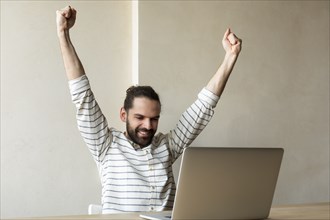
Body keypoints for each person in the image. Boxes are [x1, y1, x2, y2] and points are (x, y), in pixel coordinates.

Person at [56, 5, 242, 214]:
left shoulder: (167, 146)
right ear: (123, 115)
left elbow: (203, 106)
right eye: (140, 117)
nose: (148, 125)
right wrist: (63, 33)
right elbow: (82, 95)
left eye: (154, 119)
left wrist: (230, 57)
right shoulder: (106, 144)